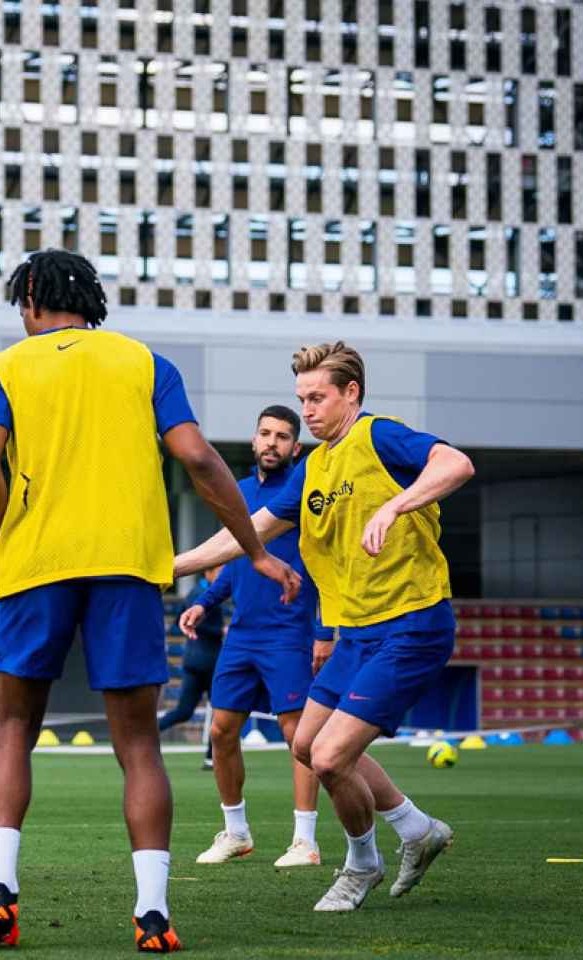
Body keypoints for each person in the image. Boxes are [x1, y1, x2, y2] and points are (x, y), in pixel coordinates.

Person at [0, 250, 298, 952]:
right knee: (140, 743)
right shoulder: (146, 363)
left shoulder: (5, 368)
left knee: (14, 726)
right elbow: (201, 460)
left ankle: (0, 889)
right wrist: (256, 548)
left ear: (30, 296)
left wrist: (7, 536)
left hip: (35, 566)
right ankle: (152, 913)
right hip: (127, 568)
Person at [174, 341, 472, 913]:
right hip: (357, 633)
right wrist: (166, 568)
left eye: (317, 397)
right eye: (300, 399)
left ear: (351, 393)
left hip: (412, 624)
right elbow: (247, 532)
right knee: (306, 744)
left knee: (332, 755)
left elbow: (455, 464)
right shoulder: (314, 466)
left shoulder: (379, 436)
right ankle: (416, 829)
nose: (306, 410)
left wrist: (396, 506)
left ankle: (362, 864)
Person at [179, 405, 332, 870]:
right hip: (240, 635)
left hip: (290, 632)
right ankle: (236, 832)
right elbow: (236, 559)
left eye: (283, 436)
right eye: (265, 434)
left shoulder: (305, 493)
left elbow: (328, 566)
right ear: (253, 440)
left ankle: (304, 840)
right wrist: (205, 600)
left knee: (297, 737)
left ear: (295, 447)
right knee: (223, 731)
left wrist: (325, 631)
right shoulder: (239, 493)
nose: (272, 443)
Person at [156, 567, 224, 770]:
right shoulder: (205, 595)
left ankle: (146, 735)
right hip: (209, 661)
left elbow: (179, 620)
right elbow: (197, 623)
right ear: (208, 572)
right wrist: (221, 630)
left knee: (184, 711)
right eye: (220, 570)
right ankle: (212, 758)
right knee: (220, 712)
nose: (222, 574)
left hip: (192, 660)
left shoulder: (193, 591)